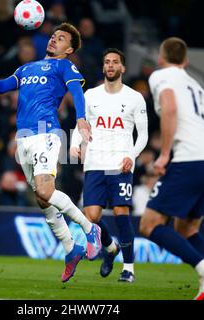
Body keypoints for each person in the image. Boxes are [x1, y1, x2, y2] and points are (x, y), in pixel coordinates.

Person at [0, 23, 102, 282]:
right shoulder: (26, 68)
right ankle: (70, 249)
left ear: (70, 48)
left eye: (61, 38)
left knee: (44, 190)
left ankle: (90, 229)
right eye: (53, 36)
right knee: (43, 200)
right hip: (25, 138)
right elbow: (7, 84)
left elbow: (76, 91)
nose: (54, 39)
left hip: (46, 132)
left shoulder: (64, 66)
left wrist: (82, 118)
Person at [139, 37, 204, 300]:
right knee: (187, 229)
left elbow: (169, 109)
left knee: (149, 224)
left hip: (190, 157)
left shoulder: (161, 76)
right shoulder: (198, 86)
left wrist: (165, 154)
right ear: (186, 61)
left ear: (161, 58)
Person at [70, 48, 148, 282]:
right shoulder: (91, 95)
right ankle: (110, 247)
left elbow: (142, 134)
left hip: (120, 162)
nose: (111, 66)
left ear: (122, 68)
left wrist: (132, 156)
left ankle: (129, 268)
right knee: (91, 216)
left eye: (115, 62)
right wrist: (75, 143)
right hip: (95, 161)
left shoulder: (135, 98)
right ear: (103, 67)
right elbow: (81, 124)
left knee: (121, 211)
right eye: (107, 62)